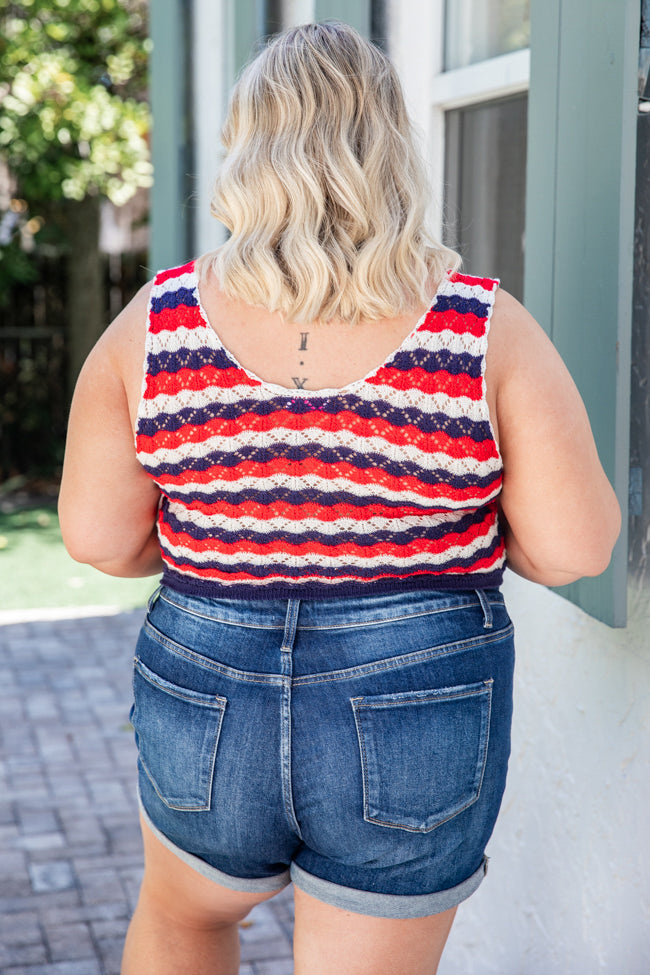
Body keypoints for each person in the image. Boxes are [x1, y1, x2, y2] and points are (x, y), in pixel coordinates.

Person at [58, 21, 620, 975]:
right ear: (391, 150)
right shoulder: (481, 326)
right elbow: (576, 548)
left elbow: (98, 540)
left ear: (248, 149)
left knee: (185, 918)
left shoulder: (153, 327)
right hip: (417, 697)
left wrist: (237, 544)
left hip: (207, 679)